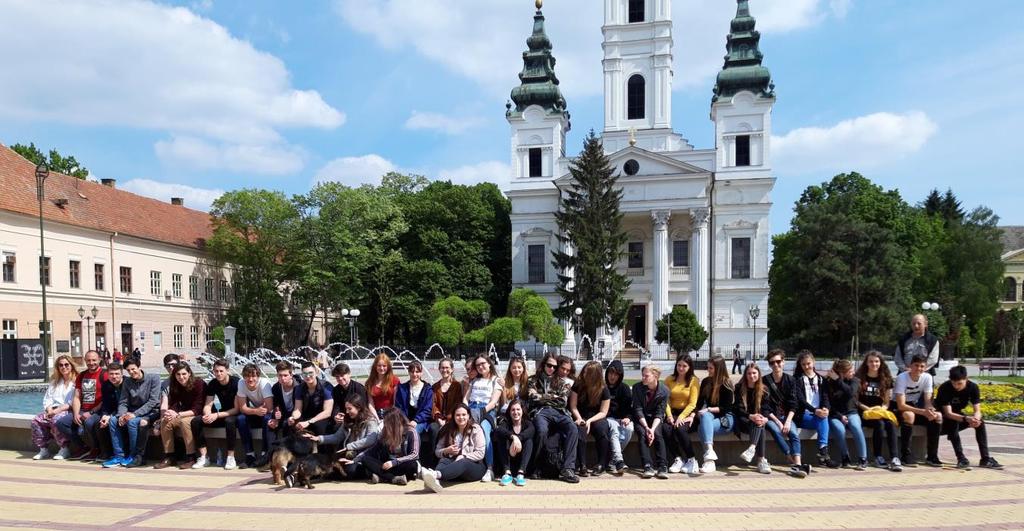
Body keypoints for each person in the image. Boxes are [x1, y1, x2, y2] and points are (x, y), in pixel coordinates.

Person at [935, 366, 1003, 470]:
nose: (956, 386)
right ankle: (961, 458)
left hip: (959, 416)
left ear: (966, 379)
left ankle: (985, 459)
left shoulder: (973, 387)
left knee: (980, 423)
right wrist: (966, 419)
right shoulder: (945, 388)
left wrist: (975, 419)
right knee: (953, 423)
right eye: (953, 383)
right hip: (941, 419)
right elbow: (948, 413)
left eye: (959, 383)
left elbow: (977, 410)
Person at [526, 352, 579, 483]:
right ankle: (537, 466)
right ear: (543, 365)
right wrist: (552, 397)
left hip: (559, 412)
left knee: (572, 429)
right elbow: (532, 397)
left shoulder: (562, 382)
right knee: (542, 431)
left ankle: (567, 468)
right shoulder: (533, 380)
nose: (552, 369)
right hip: (541, 412)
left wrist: (542, 397)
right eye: (549, 365)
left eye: (555, 367)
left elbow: (562, 401)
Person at [104, 357, 161, 468]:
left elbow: (153, 401)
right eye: (128, 370)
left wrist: (135, 414)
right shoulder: (128, 382)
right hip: (132, 412)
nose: (131, 372)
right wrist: (121, 415)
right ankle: (118, 456)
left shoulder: (154, 378)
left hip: (150, 412)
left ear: (139, 366)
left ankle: (134, 455)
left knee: (132, 422)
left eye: (133, 369)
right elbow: (123, 401)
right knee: (113, 420)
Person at [762, 349, 808, 477]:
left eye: (778, 361)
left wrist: (787, 421)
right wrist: (778, 422)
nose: (775, 365)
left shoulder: (791, 380)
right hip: (771, 417)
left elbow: (794, 404)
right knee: (776, 431)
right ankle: (791, 461)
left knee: (793, 432)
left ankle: (798, 464)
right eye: (772, 363)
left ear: (783, 362)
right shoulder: (764, 381)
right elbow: (764, 406)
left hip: (787, 416)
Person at [312, 395, 381, 479]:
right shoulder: (348, 421)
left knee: (348, 471)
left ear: (358, 408)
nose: (347, 412)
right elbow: (336, 437)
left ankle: (370, 472)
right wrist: (318, 438)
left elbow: (370, 440)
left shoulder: (370, 421)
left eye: (350, 408)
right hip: (349, 454)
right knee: (331, 469)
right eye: (346, 409)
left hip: (364, 455)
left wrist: (349, 446)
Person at [422, 404, 487, 492]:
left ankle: (435, 475)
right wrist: (446, 450)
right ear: (453, 416)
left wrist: (464, 456)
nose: (461, 417)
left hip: (474, 467)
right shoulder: (448, 429)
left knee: (463, 462)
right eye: (458, 415)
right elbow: (437, 451)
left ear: (468, 416)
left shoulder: (476, 429)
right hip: (453, 467)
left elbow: (480, 453)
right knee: (443, 460)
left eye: (464, 415)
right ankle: (435, 482)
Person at [854, 350, 902, 471]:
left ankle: (895, 458)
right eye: (871, 361)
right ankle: (878, 457)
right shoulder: (859, 378)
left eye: (876, 361)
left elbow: (886, 402)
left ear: (880, 363)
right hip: (864, 413)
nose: (874, 364)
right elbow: (856, 401)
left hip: (880, 412)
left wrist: (880, 410)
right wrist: (869, 410)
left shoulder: (886, 379)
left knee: (890, 424)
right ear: (866, 363)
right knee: (879, 424)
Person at [154, 362, 205, 469]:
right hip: (182, 414)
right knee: (165, 421)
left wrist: (177, 414)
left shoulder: (199, 383)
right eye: (178, 374)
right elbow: (174, 404)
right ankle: (169, 456)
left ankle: (191, 457)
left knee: (185, 422)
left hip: (198, 415)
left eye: (184, 374)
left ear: (189, 373)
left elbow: (198, 409)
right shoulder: (175, 385)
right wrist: (169, 413)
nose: (181, 377)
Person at [56, 350, 107, 460]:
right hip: (83, 410)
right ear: (85, 361)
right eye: (88, 360)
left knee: (89, 423)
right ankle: (83, 447)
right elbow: (76, 397)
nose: (91, 362)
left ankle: (96, 449)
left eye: (94, 360)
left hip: (98, 410)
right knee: (61, 423)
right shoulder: (82, 375)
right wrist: (75, 414)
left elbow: (106, 398)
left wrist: (92, 412)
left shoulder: (104, 375)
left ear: (99, 360)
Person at [894, 354, 943, 466]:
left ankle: (932, 456)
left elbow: (928, 401)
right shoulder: (902, 377)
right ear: (910, 365)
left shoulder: (927, 377)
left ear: (925, 368)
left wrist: (930, 410)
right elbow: (901, 405)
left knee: (937, 416)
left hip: (915, 407)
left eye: (922, 366)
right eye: (916, 365)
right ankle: (906, 455)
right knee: (910, 415)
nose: (919, 369)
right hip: (898, 408)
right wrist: (923, 412)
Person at [192, 359, 240, 469]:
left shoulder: (236, 383)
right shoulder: (213, 383)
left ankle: (230, 458)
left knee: (229, 421)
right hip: (221, 414)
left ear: (227, 370)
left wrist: (216, 415)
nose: (218, 374)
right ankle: (204, 457)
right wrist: (207, 415)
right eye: (216, 371)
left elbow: (236, 409)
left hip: (235, 415)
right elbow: (208, 404)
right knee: (196, 421)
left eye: (221, 371)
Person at [463, 354, 502, 481]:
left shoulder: (496, 380)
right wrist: (465, 410)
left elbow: (494, 401)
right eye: (478, 365)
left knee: (484, 431)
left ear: (489, 364)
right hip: (471, 408)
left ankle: (489, 468)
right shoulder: (474, 381)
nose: (480, 367)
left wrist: (479, 412)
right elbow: (466, 398)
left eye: (483, 364)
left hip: (487, 411)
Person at [793, 350, 835, 468]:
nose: (806, 366)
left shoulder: (822, 380)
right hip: (803, 416)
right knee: (822, 418)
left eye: (808, 363)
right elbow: (800, 400)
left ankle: (823, 453)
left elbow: (826, 397)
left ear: (813, 362)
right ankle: (824, 453)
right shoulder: (797, 379)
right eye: (803, 364)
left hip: (818, 415)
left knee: (823, 417)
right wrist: (814, 410)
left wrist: (826, 408)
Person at [31, 354, 78, 460]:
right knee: (36, 420)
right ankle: (43, 449)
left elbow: (73, 401)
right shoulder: (55, 382)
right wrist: (49, 409)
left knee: (56, 420)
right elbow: (47, 398)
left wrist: (56, 411)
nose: (64, 367)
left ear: (71, 365)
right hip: (53, 409)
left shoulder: (76, 381)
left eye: (66, 364)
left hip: (68, 410)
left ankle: (64, 448)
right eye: (60, 365)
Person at [569, 360, 611, 476]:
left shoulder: (603, 389)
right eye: (584, 372)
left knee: (602, 431)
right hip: (580, 415)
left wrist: (590, 421)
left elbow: (603, 412)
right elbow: (573, 406)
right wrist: (580, 419)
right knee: (580, 433)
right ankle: (582, 464)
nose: (584, 375)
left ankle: (601, 463)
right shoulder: (578, 385)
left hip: (597, 417)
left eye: (588, 373)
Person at [359, 408, 420, 485]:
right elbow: (373, 449)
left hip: (401, 464)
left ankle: (383, 477)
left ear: (393, 422)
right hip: (386, 465)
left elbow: (414, 454)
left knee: (412, 464)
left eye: (386, 422)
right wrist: (355, 460)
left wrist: (394, 462)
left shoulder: (411, 432)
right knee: (365, 459)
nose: (384, 425)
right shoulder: (385, 432)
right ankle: (393, 478)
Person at [825, 359, 867, 470]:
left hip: (851, 412)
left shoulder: (855, 381)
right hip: (835, 414)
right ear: (842, 372)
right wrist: (840, 416)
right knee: (840, 430)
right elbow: (828, 403)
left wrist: (838, 380)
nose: (853, 373)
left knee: (855, 426)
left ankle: (863, 458)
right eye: (850, 371)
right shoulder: (829, 383)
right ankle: (845, 458)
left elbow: (850, 392)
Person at [695, 355, 735, 474]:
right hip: (710, 416)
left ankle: (709, 462)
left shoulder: (727, 384)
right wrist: (696, 413)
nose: (708, 370)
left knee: (702, 427)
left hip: (726, 418)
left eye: (711, 368)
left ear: (719, 369)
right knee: (704, 417)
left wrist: (708, 409)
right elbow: (700, 402)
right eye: (708, 367)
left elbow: (726, 408)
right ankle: (710, 454)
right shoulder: (706, 382)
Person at [663, 354, 699, 475]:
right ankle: (678, 458)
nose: (681, 368)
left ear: (689, 367)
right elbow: (666, 400)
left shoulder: (694, 381)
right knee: (666, 429)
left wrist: (681, 417)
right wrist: (669, 415)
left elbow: (692, 404)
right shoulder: (669, 379)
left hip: (688, 414)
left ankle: (692, 459)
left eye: (684, 366)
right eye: (679, 365)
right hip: (672, 413)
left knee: (680, 429)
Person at [632, 365, 670, 479]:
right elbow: (637, 409)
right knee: (642, 434)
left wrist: (652, 429)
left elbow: (660, 412)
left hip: (655, 419)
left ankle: (662, 466)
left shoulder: (664, 391)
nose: (643, 378)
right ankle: (647, 466)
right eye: (642, 375)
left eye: (646, 376)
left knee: (658, 434)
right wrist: (646, 427)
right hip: (641, 418)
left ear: (656, 376)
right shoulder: (637, 388)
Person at [235, 362, 274, 468]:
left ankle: (264, 455)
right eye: (247, 376)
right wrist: (256, 411)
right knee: (241, 419)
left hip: (269, 413)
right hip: (258, 411)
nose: (250, 379)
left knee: (267, 418)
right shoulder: (241, 383)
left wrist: (255, 410)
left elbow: (270, 408)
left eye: (253, 376)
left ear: (258, 376)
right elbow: (242, 408)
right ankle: (250, 455)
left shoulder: (264, 383)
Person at [492, 398, 535, 487]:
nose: (515, 412)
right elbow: (499, 430)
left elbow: (532, 431)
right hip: (507, 463)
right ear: (509, 411)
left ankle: (521, 474)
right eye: (513, 410)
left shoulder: (527, 423)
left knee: (529, 441)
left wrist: (518, 438)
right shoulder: (506, 422)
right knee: (502, 438)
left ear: (522, 410)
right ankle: (507, 473)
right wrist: (513, 437)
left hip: (522, 464)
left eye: (518, 409)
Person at [429, 358, 462, 468]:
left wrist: (448, 419)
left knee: (451, 430)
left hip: (453, 419)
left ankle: (449, 461)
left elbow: (458, 404)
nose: (444, 370)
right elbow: (433, 405)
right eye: (442, 368)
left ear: (452, 369)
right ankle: (433, 461)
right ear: (439, 369)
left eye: (447, 367)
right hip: (438, 419)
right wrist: (438, 418)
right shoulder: (435, 386)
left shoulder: (457, 386)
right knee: (433, 429)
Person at [604, 360, 634, 475]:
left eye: (616, 374)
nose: (612, 376)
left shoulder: (624, 388)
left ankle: (612, 459)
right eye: (611, 373)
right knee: (615, 430)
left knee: (629, 429)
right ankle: (619, 461)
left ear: (620, 376)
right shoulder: (603, 386)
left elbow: (630, 408)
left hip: (621, 418)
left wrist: (627, 418)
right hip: (607, 418)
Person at [291, 361, 334, 436]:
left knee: (318, 426)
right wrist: (293, 417)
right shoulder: (299, 388)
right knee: (289, 424)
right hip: (306, 416)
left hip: (322, 417)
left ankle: (323, 447)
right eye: (305, 374)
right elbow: (297, 409)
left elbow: (327, 412)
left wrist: (309, 422)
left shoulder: (326, 386)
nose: (307, 376)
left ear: (316, 372)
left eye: (310, 373)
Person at [93, 361, 125, 463]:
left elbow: (125, 404)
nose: (114, 376)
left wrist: (110, 416)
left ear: (121, 374)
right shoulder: (106, 385)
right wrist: (104, 415)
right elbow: (106, 403)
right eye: (111, 374)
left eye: (117, 374)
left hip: (126, 411)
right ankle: (106, 452)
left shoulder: (127, 384)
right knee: (99, 423)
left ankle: (123, 453)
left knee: (115, 422)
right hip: (112, 412)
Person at [395, 361, 433, 440]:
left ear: (421, 373)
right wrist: (405, 421)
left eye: (417, 372)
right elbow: (398, 408)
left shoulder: (427, 389)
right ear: (408, 372)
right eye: (412, 372)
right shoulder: (402, 388)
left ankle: (413, 452)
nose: (414, 374)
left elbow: (428, 409)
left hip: (421, 421)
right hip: (404, 420)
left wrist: (416, 421)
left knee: (412, 431)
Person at [331, 362, 369, 429]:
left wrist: (347, 417)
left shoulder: (359, 388)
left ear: (349, 374)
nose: (340, 378)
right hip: (342, 418)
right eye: (337, 376)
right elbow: (336, 406)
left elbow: (363, 407)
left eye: (342, 375)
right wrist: (336, 416)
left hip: (357, 418)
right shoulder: (336, 389)